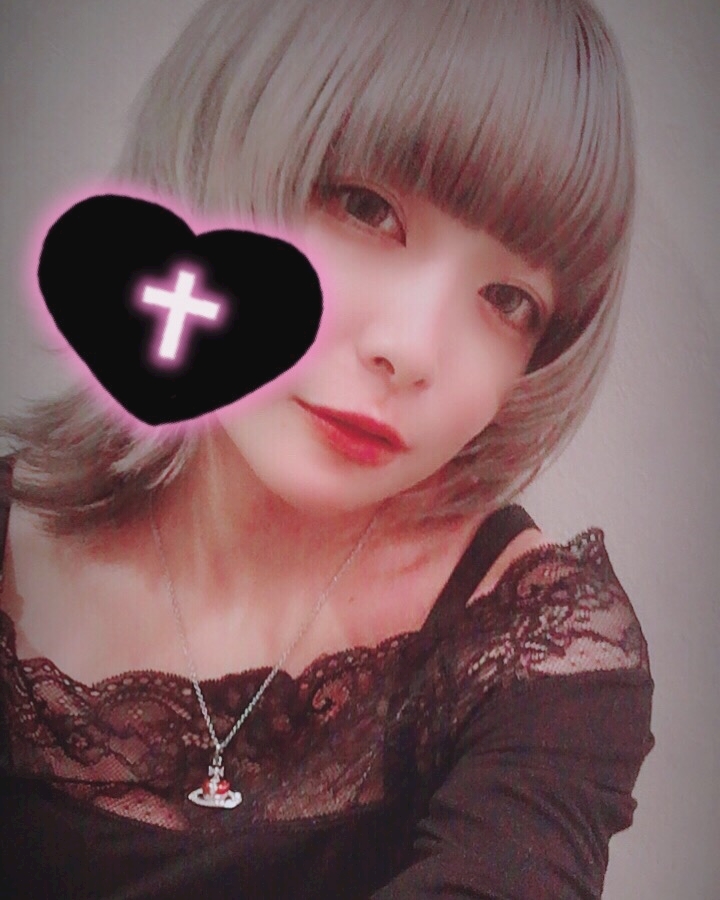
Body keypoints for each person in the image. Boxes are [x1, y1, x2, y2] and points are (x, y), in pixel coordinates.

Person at [0, 0, 654, 897]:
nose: (412, 351)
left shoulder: (542, 652)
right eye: (365, 208)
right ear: (219, 147)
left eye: (508, 300)